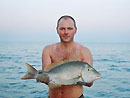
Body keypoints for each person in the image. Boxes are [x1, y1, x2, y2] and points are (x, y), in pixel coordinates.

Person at [42, 15, 93, 98]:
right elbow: (47, 78)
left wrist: (76, 77)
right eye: (62, 29)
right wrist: (40, 76)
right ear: (57, 30)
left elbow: (90, 83)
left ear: (75, 30)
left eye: (69, 28)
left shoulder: (84, 51)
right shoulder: (48, 50)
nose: (66, 32)